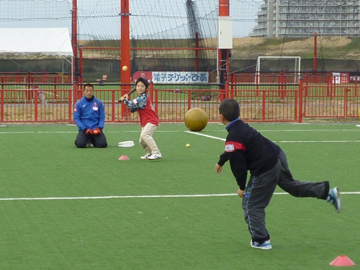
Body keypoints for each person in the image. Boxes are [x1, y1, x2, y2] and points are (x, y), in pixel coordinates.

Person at [215, 98, 341, 250]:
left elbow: (239, 167)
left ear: (221, 117)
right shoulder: (240, 128)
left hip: (265, 167)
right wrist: (222, 160)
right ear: (238, 113)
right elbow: (235, 150)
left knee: (251, 205)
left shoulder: (233, 137)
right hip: (277, 155)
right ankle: (327, 193)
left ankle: (261, 240)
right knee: (292, 186)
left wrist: (241, 187)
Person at [119, 77, 162, 160]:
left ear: (146, 88)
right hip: (145, 121)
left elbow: (136, 105)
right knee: (141, 140)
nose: (140, 88)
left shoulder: (144, 97)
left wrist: (125, 100)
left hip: (151, 120)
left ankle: (156, 152)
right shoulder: (138, 98)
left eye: (142, 86)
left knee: (145, 135)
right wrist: (127, 101)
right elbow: (132, 109)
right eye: (138, 86)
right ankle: (149, 153)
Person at [73, 83, 108, 148]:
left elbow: (102, 117)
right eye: (87, 91)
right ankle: (85, 139)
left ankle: (92, 140)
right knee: (80, 144)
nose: (89, 93)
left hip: (96, 129)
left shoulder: (98, 103)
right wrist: (84, 129)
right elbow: (77, 118)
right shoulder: (79, 103)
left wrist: (99, 128)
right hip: (85, 129)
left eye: (90, 91)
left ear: (93, 91)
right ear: (84, 91)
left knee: (103, 144)